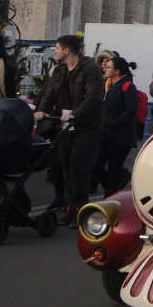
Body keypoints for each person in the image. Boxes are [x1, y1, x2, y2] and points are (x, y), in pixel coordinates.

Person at [34, 35, 103, 224]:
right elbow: (49, 94)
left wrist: (75, 114)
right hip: (64, 126)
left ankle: (81, 208)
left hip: (86, 126)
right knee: (66, 168)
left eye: (57, 48)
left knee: (78, 167)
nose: (54, 51)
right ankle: (71, 207)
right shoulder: (59, 71)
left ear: (67, 50)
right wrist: (41, 111)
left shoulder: (91, 69)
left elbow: (93, 97)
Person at [96, 51, 140, 197]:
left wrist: (114, 123)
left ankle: (110, 196)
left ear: (117, 71)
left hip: (120, 136)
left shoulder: (127, 86)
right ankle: (114, 187)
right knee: (96, 165)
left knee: (114, 168)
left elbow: (130, 110)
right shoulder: (110, 86)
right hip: (107, 133)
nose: (105, 68)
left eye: (108, 66)